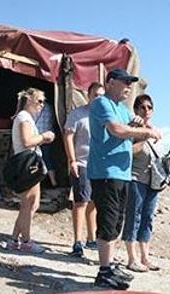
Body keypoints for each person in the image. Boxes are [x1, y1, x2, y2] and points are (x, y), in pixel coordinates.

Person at [88, 69, 161, 289]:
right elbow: (117, 130)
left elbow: (141, 126)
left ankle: (109, 266)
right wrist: (145, 133)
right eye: (124, 82)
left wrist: (144, 126)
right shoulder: (102, 103)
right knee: (108, 221)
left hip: (122, 173)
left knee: (117, 222)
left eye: (130, 83)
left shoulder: (122, 108)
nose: (128, 87)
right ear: (110, 83)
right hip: (105, 172)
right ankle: (104, 271)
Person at [5, 88, 56, 253]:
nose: (42, 105)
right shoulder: (24, 118)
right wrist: (44, 137)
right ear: (29, 101)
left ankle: (14, 239)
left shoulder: (25, 118)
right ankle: (26, 241)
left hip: (28, 163)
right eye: (39, 101)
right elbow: (27, 141)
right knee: (28, 204)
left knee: (32, 203)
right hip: (28, 164)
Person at [63, 82, 104, 258]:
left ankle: (91, 237)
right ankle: (77, 241)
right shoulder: (78, 114)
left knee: (94, 202)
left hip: (100, 165)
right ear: (89, 95)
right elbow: (68, 136)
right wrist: (72, 160)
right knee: (81, 201)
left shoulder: (106, 116)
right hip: (82, 162)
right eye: (96, 95)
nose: (98, 98)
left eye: (102, 95)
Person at [122, 94, 162, 272]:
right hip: (136, 177)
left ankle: (145, 256)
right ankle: (132, 258)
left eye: (149, 107)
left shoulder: (155, 129)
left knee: (148, 217)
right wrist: (145, 135)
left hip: (153, 180)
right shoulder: (133, 128)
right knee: (134, 216)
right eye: (142, 107)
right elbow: (128, 150)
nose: (146, 111)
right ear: (136, 109)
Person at [35, 97, 58, 187]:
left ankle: (37, 182)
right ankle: (53, 182)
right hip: (48, 136)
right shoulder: (50, 108)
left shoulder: (35, 108)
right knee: (47, 159)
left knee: (34, 160)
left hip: (36, 136)